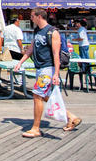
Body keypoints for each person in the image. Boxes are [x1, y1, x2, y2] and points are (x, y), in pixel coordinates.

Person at [14, 8, 81, 138]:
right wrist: (20, 62)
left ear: (39, 16)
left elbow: (56, 55)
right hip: (40, 68)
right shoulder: (37, 31)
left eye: (32, 16)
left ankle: (36, 128)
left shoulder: (52, 32)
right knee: (45, 96)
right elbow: (31, 49)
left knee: (37, 95)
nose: (31, 18)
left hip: (48, 68)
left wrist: (56, 73)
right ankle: (71, 117)